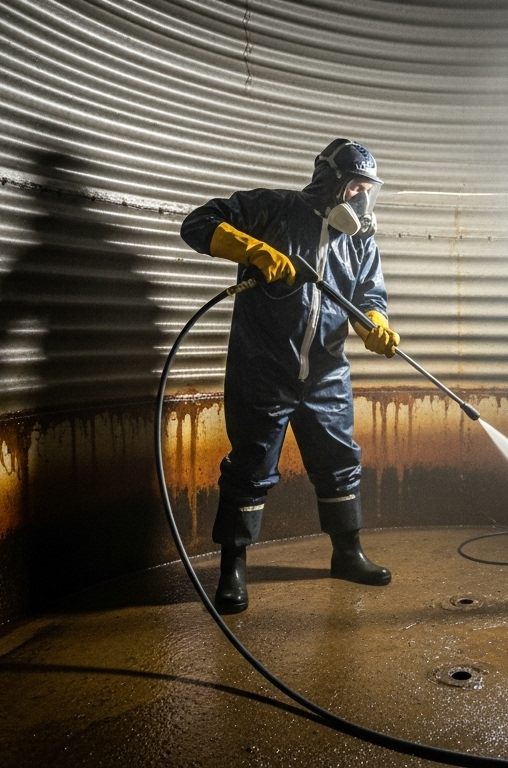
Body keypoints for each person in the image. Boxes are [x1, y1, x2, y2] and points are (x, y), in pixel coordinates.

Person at [181, 139, 401, 613]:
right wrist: (253, 249)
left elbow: (370, 295)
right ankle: (233, 569)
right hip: (263, 369)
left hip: (326, 374)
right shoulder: (273, 209)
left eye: (367, 189)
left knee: (339, 459)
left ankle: (347, 553)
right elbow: (197, 223)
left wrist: (375, 322)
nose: (360, 197)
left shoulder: (359, 238)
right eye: (353, 185)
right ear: (328, 181)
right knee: (251, 467)